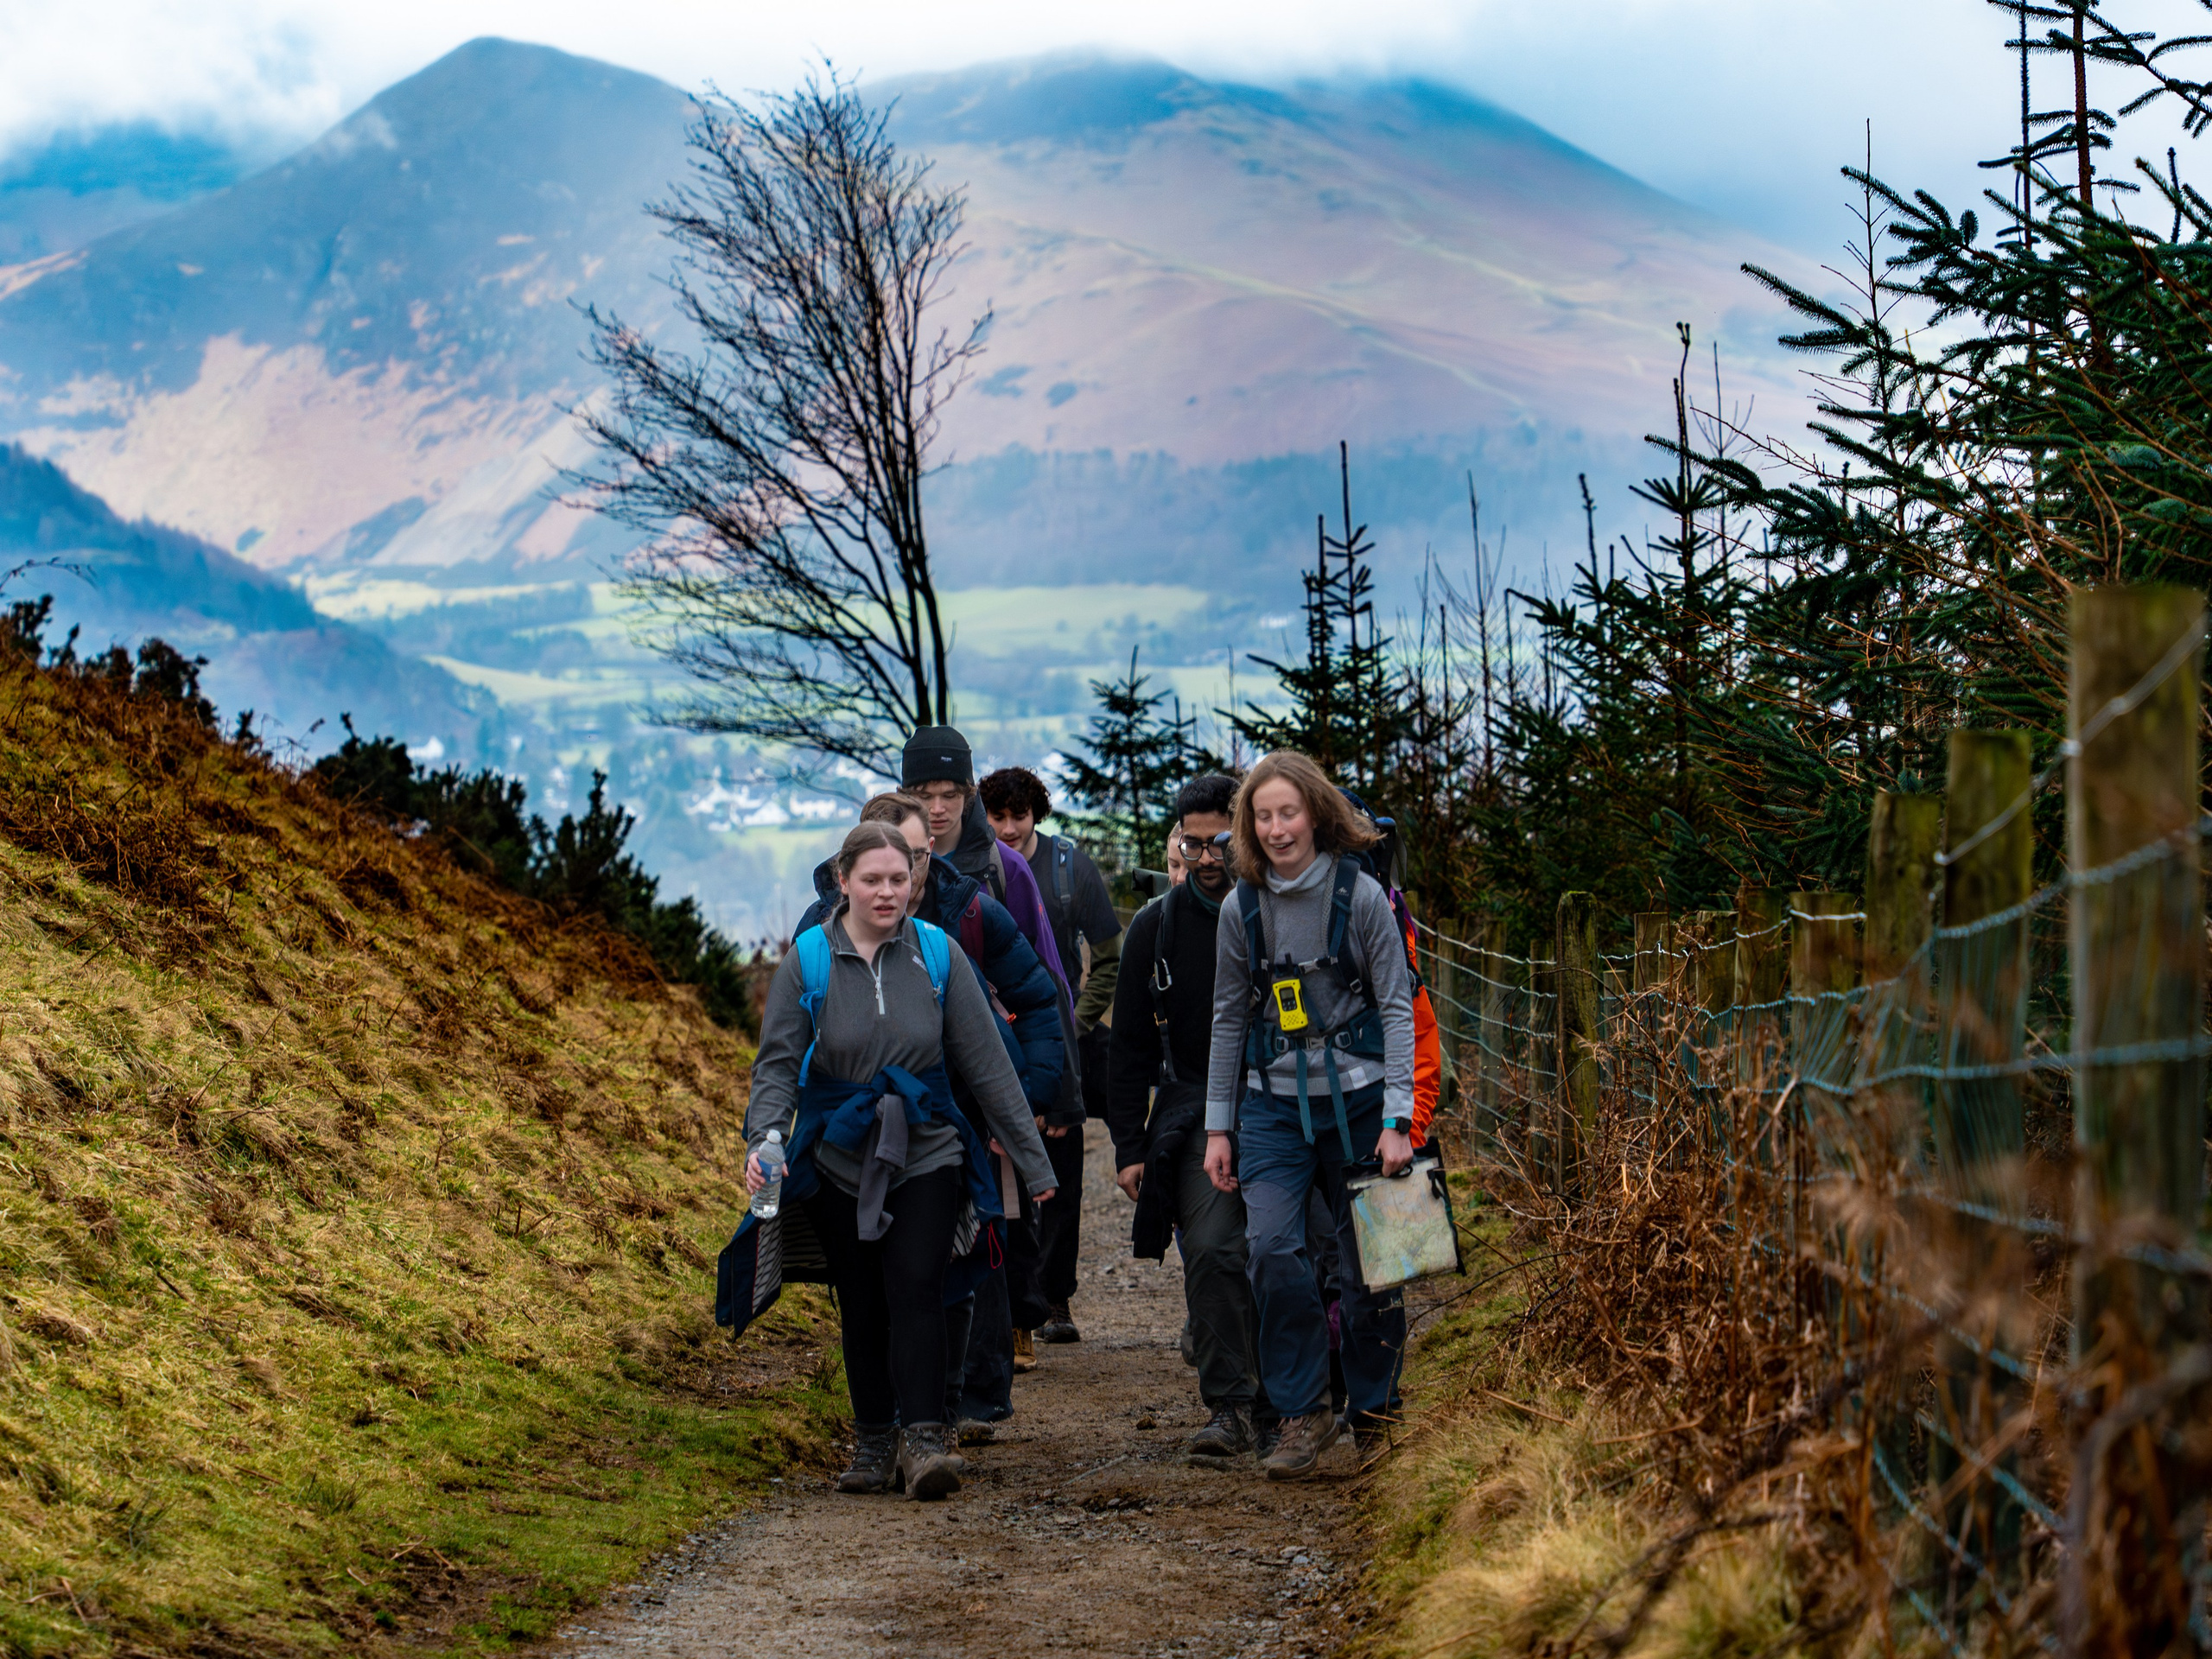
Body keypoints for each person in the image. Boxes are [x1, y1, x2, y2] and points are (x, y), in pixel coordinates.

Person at [744, 820, 1057, 1500]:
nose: (888, 892)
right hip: (837, 1150)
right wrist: (766, 1139)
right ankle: (873, 1439)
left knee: (917, 1283)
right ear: (842, 882)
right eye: (872, 880)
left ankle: (923, 1440)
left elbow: (989, 1068)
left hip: (928, 1146)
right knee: (861, 1298)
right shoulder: (809, 960)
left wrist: (1035, 1170)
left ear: (914, 881)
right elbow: (775, 1067)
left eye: (899, 878)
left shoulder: (940, 955)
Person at [1204, 751, 1416, 1481]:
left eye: (1287, 812)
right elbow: (1228, 1017)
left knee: (1371, 1268)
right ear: (1248, 825)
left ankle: (1378, 1412)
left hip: (1362, 1107)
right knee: (1270, 1251)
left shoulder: (1359, 897)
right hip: (1271, 1108)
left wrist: (1400, 1117)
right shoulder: (1242, 907)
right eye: (1262, 817)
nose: (1275, 828)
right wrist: (1217, 1127)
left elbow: (1396, 1004)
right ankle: (1301, 1412)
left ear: (1316, 814)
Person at [1107, 774, 1273, 1457]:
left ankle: (1306, 1398)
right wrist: (1128, 1146)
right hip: (1197, 1108)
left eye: (1221, 843)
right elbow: (1129, 1048)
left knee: (1293, 1249)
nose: (1209, 859)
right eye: (1193, 844)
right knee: (1211, 1249)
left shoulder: (1279, 909)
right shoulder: (1155, 927)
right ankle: (1231, 1404)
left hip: (1287, 1102)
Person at [982, 765, 1123, 1345]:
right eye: (998, 816)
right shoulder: (972, 870)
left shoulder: (1070, 869)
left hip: (1064, 1041)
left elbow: (1109, 955)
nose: (1010, 827)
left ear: (1037, 814)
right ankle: (1012, 1303)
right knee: (1004, 1167)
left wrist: (1076, 1021)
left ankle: (1055, 1295)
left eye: (1019, 815)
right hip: (992, 1039)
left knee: (1062, 1170)